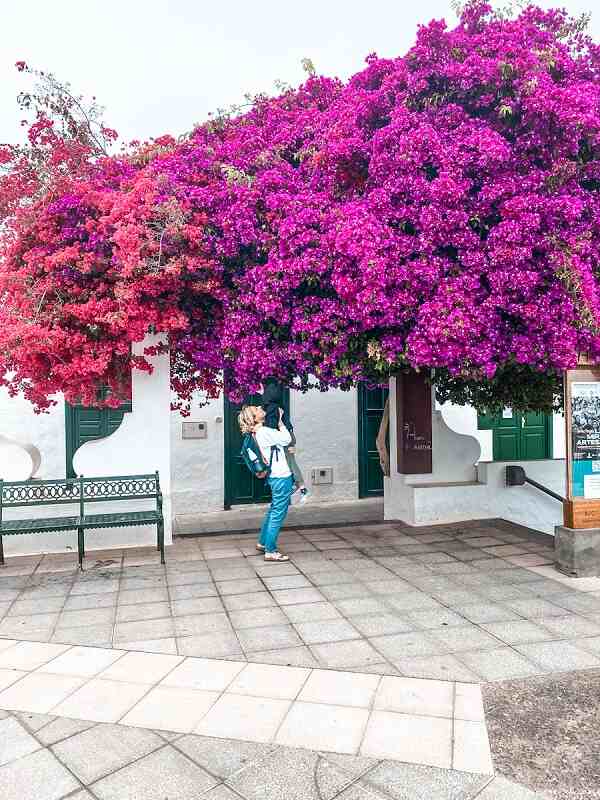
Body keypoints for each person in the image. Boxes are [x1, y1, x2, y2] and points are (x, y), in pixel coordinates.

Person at [238, 404, 292, 562]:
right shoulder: (264, 431)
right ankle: (271, 550)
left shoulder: (258, 433)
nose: (261, 408)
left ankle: (263, 543)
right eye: (257, 410)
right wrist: (281, 422)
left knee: (273, 511)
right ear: (254, 419)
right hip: (281, 476)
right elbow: (287, 439)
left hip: (274, 476)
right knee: (278, 514)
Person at [261, 378, 310, 504]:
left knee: (290, 462)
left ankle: (301, 487)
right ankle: (300, 487)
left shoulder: (271, 408)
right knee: (290, 461)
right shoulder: (278, 404)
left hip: (286, 437)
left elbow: (272, 426)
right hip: (289, 435)